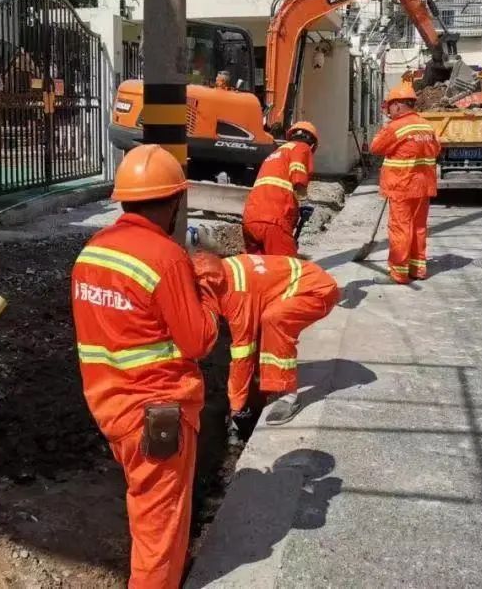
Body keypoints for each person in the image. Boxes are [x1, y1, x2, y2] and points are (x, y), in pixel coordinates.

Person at [71, 145, 218, 588]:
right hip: (156, 413)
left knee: (146, 507)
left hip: (109, 405)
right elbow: (199, 341)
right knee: (160, 530)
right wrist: (207, 285)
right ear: (175, 201)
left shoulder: (93, 252)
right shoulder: (165, 258)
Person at [192, 251, 338, 427]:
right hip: (306, 280)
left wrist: (236, 404)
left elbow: (243, 351)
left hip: (318, 291)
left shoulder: (236, 294)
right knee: (263, 322)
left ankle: (289, 396)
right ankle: (266, 379)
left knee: (274, 320)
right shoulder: (218, 270)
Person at [370, 82, 441, 284]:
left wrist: (386, 128)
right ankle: (418, 269)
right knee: (418, 227)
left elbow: (375, 148)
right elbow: (436, 150)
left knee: (400, 228)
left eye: (390, 106)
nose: (389, 111)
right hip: (423, 186)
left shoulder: (396, 127)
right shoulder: (426, 126)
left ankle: (399, 273)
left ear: (398, 105)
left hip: (402, 186)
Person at [241, 121, 319, 256]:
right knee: (286, 265)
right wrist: (304, 202)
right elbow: (298, 179)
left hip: (250, 220)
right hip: (274, 221)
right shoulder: (302, 148)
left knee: (260, 265)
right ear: (312, 144)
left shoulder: (275, 154)